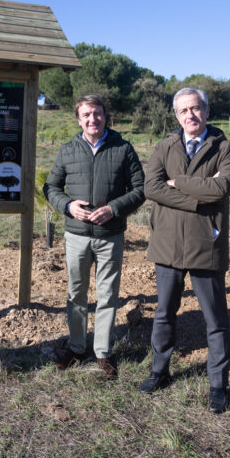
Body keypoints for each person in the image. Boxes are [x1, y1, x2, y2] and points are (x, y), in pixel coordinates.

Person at [139, 88, 230, 414]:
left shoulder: (225, 148)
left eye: (195, 109)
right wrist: (198, 195)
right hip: (167, 242)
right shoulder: (165, 145)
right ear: (177, 115)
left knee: (216, 319)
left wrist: (177, 182)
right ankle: (159, 370)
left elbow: (221, 187)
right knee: (164, 312)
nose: (190, 115)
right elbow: (151, 187)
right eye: (183, 111)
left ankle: (217, 385)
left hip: (204, 243)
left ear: (207, 111)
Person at [44, 94, 145, 379]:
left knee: (107, 295)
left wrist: (113, 209)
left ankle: (103, 351)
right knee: (76, 293)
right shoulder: (67, 151)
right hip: (76, 236)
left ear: (105, 116)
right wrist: (67, 205)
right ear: (79, 119)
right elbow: (51, 186)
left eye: (97, 114)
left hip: (109, 235)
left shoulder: (123, 149)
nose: (92, 119)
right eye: (86, 114)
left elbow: (140, 189)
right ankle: (77, 346)